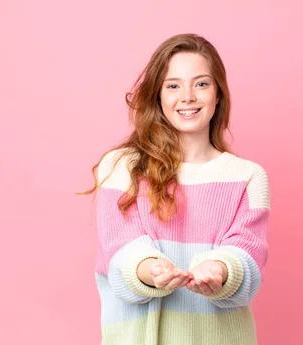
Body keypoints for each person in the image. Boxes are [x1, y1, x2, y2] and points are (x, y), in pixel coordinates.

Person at [84, 33, 270, 345]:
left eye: (201, 84)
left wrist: (220, 270)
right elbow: (119, 250)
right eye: (173, 86)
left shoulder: (248, 176)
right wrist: (151, 270)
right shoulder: (121, 166)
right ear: (158, 96)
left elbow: (247, 254)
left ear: (218, 94)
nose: (188, 96)